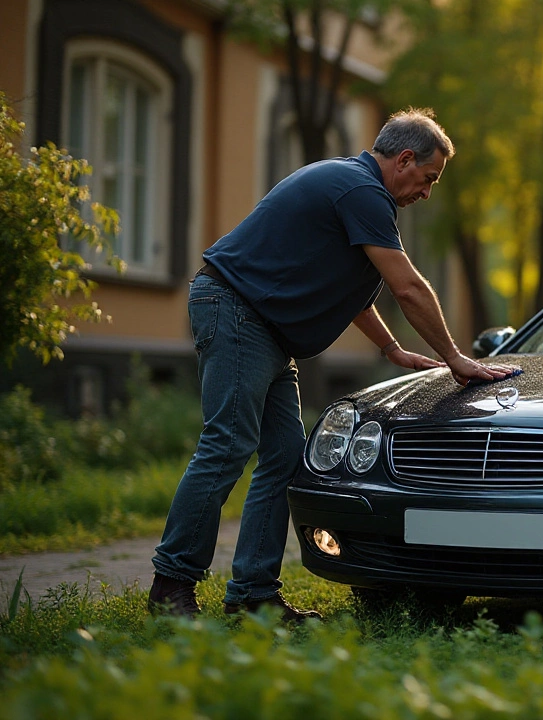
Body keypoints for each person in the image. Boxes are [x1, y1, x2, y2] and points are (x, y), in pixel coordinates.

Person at [148, 108, 519, 621]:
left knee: (284, 456)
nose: (426, 192)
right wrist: (455, 359)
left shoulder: (356, 193)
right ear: (404, 159)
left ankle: (253, 597)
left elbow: (353, 293)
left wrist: (390, 348)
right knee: (228, 443)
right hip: (237, 310)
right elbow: (407, 286)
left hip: (267, 328)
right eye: (428, 178)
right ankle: (171, 588)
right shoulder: (360, 190)